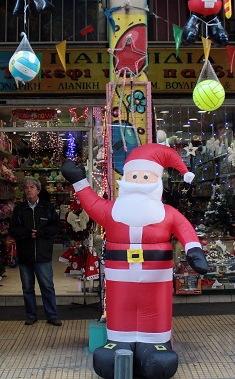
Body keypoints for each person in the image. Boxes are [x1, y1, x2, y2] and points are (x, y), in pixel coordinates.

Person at [61, 144, 209, 379]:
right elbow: (91, 204)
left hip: (156, 280)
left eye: (145, 176)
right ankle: (119, 341)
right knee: (120, 312)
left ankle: (157, 344)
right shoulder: (113, 211)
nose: (139, 180)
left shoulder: (167, 212)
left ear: (157, 181)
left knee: (156, 315)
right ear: (126, 179)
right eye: (135, 176)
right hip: (121, 280)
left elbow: (185, 230)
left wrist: (195, 252)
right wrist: (79, 181)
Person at [8, 176, 61, 326]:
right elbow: (12, 229)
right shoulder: (20, 209)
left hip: (43, 255)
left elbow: (56, 226)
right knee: (27, 288)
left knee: (47, 287)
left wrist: (41, 233)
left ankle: (52, 315)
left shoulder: (47, 207)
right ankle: (31, 315)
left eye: (32, 187)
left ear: (38, 190)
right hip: (25, 255)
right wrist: (26, 233)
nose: (28, 190)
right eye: (26, 187)